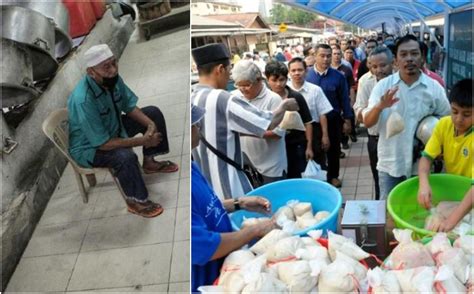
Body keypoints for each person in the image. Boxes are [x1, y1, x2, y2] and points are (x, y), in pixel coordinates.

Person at [68, 44, 178, 218]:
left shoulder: (113, 80)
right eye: (106, 67)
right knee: (125, 157)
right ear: (91, 72)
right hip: (90, 147)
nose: (113, 70)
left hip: (112, 128)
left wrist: (150, 125)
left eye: (114, 63)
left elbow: (129, 106)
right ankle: (135, 201)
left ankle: (150, 162)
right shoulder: (83, 100)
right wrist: (142, 141)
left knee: (153, 113)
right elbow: (102, 143)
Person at [192, 43, 298, 199]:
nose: (228, 77)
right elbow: (268, 123)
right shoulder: (222, 98)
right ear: (220, 69)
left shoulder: (193, 97)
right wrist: (284, 106)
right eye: (228, 71)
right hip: (229, 185)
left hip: (206, 187)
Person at [191, 104, 276, 292]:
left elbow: (206, 209)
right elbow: (203, 247)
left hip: (226, 270)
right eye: (195, 124)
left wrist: (240, 203)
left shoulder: (191, 167)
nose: (199, 128)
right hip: (206, 282)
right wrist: (254, 231)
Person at [363, 34, 450, 199]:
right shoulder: (383, 87)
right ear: (395, 61)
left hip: (422, 167)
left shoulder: (433, 88)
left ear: (422, 58)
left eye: (414, 54)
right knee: (388, 211)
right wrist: (380, 106)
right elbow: (368, 122)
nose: (409, 59)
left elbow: (448, 121)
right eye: (403, 55)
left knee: (419, 211)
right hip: (390, 164)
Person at [417, 79, 473, 232]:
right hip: (455, 191)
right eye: (454, 111)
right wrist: (424, 183)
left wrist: (451, 221)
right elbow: (426, 157)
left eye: (466, 114)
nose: (459, 119)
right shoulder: (444, 125)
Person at [231, 60, 287, 184]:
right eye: (239, 85)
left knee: (274, 199)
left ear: (259, 80)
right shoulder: (233, 98)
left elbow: (277, 134)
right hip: (246, 163)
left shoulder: (273, 99)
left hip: (272, 165)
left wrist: (243, 132)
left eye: (246, 85)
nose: (242, 89)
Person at [306, 44, 353, 188]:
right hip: (312, 122)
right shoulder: (307, 76)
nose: (326, 59)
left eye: (328, 55)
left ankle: (333, 176)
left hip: (333, 120)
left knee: (333, 150)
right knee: (315, 150)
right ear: (314, 56)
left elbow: (344, 99)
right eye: (322, 56)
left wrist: (347, 120)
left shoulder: (338, 76)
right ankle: (319, 176)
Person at [354, 46, 395, 200]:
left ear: (393, 63)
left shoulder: (401, 80)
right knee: (380, 181)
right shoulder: (365, 81)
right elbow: (359, 106)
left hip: (399, 139)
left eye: (383, 65)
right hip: (376, 139)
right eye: (374, 66)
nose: (379, 70)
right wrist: (364, 115)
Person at [265, 61, 313, 178]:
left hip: (296, 146)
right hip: (274, 148)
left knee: (297, 176)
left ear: (287, 79)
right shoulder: (265, 100)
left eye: (281, 80)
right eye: (274, 80)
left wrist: (309, 146)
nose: (278, 84)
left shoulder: (295, 97)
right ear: (267, 80)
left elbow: (308, 122)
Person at [288, 57, 332, 169]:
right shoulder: (285, 91)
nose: (297, 73)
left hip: (314, 132)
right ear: (289, 72)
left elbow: (322, 114)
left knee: (318, 163)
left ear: (306, 71)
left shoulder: (315, 90)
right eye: (293, 70)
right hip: (292, 134)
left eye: (300, 70)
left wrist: (325, 135)